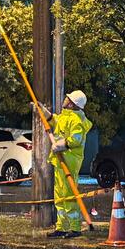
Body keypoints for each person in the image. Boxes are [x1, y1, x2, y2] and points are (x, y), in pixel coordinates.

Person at [35, 90, 93, 238]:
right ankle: (62, 227)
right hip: (61, 160)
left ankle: (74, 228)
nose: (65, 99)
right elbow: (55, 121)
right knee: (59, 196)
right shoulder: (66, 116)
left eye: (68, 98)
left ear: (72, 103)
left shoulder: (76, 120)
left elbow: (76, 139)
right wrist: (44, 112)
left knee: (68, 196)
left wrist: (61, 145)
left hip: (70, 160)